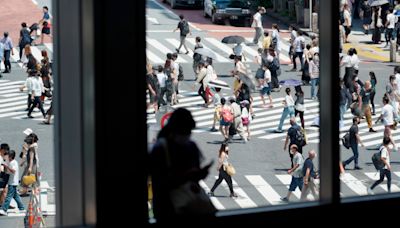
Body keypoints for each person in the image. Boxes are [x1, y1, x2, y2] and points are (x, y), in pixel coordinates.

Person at [149, 108, 215, 221]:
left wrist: (199, 175)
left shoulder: (191, 146)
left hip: (187, 203)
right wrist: (188, 176)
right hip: (168, 208)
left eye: (189, 131)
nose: (187, 134)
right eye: (185, 130)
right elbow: (160, 182)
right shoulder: (161, 150)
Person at [0, 150, 25, 216]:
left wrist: (6, 166)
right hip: (11, 181)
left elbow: (13, 171)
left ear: (11, 156)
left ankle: (4, 209)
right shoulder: (11, 162)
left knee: (8, 196)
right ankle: (21, 207)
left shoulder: (14, 163)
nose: (7, 157)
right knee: (15, 196)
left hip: (13, 182)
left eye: (8, 156)